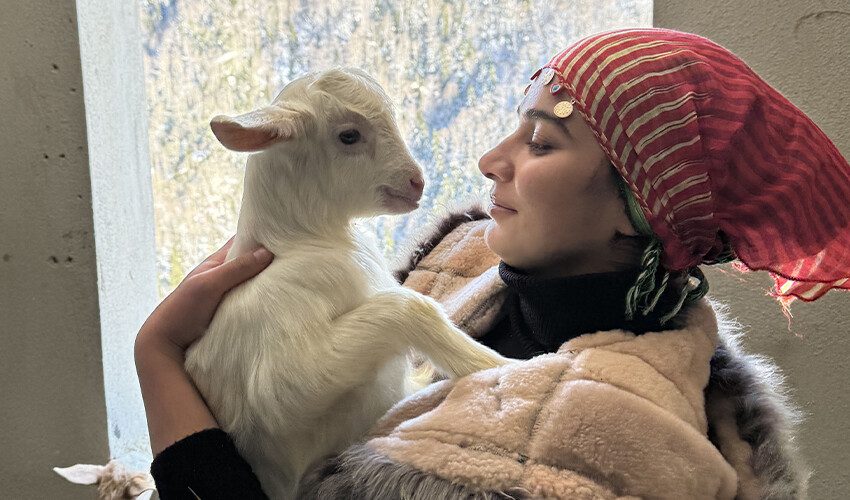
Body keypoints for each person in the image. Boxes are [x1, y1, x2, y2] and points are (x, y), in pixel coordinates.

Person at [135, 28, 850, 499]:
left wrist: (159, 356)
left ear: (644, 205)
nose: (488, 161)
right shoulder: (466, 257)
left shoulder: (603, 436)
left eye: (540, 144)